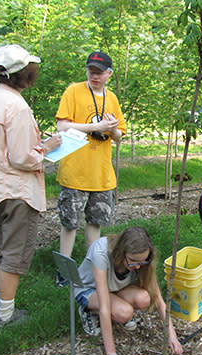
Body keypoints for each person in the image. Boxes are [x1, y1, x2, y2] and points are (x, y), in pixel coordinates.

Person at [0, 44, 61, 325]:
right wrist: (48, 147)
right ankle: (6, 315)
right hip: (17, 192)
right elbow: (22, 157)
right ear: (23, 73)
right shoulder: (17, 107)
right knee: (14, 253)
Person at [55, 51, 126, 287]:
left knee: (95, 223)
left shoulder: (112, 99)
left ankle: (90, 268)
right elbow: (62, 126)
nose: (94, 76)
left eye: (99, 72)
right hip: (75, 172)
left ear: (109, 74)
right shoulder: (73, 91)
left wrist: (111, 129)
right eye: (90, 71)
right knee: (69, 224)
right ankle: (63, 271)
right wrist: (95, 126)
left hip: (102, 175)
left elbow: (118, 137)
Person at [74, 226, 183, 355]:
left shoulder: (142, 260)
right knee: (124, 312)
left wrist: (172, 336)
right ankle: (89, 311)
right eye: (133, 262)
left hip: (114, 288)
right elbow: (105, 307)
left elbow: (158, 299)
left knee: (144, 298)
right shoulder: (100, 253)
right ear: (121, 253)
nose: (137, 267)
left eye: (142, 262)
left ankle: (116, 307)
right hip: (89, 290)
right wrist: (112, 354)